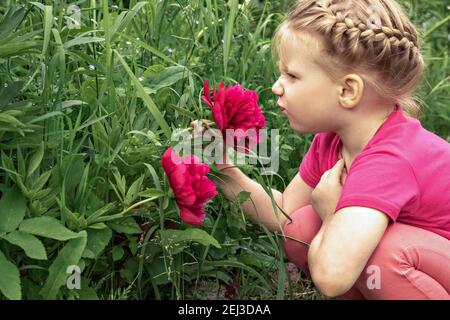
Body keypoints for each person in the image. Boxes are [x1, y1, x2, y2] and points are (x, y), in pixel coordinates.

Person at [193, 0, 450, 299]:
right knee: (301, 227)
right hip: (425, 260)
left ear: (347, 91)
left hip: (434, 256)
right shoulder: (333, 140)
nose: (277, 86)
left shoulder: (390, 160)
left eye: (292, 76)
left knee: (384, 257)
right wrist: (222, 169)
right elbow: (284, 213)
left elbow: (331, 278)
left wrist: (331, 216)